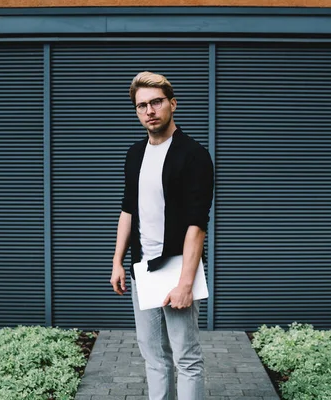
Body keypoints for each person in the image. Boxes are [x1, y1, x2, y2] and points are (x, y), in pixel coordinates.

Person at [110, 71, 214, 400]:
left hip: (176, 268)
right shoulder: (135, 154)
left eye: (156, 102)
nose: (149, 110)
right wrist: (117, 262)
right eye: (142, 105)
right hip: (143, 268)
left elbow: (197, 224)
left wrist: (185, 282)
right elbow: (128, 210)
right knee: (153, 357)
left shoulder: (194, 155)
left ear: (172, 104)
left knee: (186, 357)